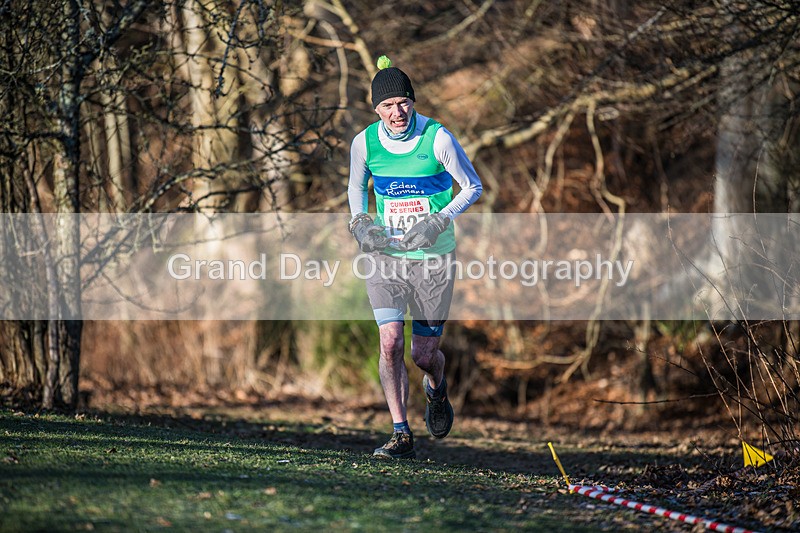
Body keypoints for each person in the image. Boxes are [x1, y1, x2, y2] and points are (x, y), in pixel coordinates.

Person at [347, 55, 482, 459]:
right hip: (386, 256)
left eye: (403, 102)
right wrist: (360, 222)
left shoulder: (437, 138)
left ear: (413, 101)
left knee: (423, 355)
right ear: (376, 110)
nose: (397, 112)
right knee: (389, 342)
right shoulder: (365, 143)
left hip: (433, 259)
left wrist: (439, 221)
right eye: (387, 105)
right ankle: (401, 431)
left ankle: (436, 389)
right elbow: (356, 188)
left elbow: (472, 186)